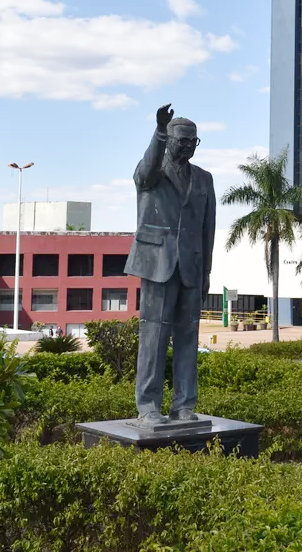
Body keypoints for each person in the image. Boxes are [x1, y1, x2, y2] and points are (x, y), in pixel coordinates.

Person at [124, 103, 217, 425]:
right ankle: (148, 406)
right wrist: (159, 132)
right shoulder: (152, 172)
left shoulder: (204, 179)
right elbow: (146, 171)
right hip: (157, 263)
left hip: (191, 266)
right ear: (169, 139)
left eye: (194, 142)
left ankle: (184, 405)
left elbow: (208, 228)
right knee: (154, 336)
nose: (189, 146)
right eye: (183, 141)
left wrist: (206, 272)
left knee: (188, 336)